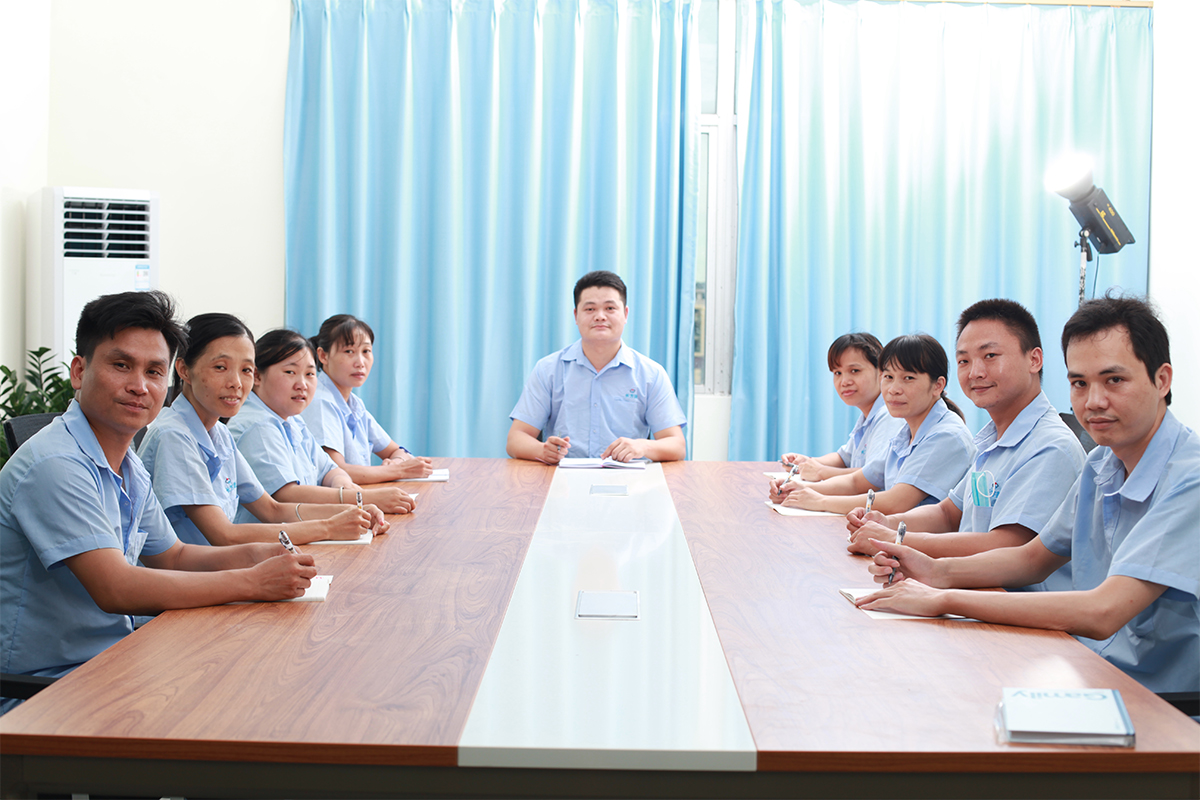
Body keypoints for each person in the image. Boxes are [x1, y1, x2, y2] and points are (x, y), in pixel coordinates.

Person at [858, 295, 1197, 697]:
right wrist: (933, 571)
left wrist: (943, 597)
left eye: (1114, 380)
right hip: (1080, 661)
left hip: (1156, 699)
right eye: (1079, 383)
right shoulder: (1101, 464)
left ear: (1162, 380)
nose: (1094, 401)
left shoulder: (1188, 478)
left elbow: (1103, 611)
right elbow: (1033, 558)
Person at [0, 292, 316, 711]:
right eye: (121, 365)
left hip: (119, 658)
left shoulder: (126, 461)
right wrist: (252, 582)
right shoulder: (56, 463)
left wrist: (257, 554)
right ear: (79, 371)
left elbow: (174, 556)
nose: (139, 385)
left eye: (153, 371)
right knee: (250, 700)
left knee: (270, 675)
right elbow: (116, 588)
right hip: (47, 690)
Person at [846, 300, 1086, 591]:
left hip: (1015, 609)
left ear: (1034, 360)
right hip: (972, 594)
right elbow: (948, 513)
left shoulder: (1050, 446)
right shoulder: (992, 439)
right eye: (964, 361)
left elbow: (1007, 545)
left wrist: (897, 539)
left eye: (990, 355)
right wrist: (887, 522)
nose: (975, 372)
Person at [138, 313, 385, 547]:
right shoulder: (174, 435)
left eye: (245, 370)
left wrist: (353, 511)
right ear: (184, 370)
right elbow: (224, 535)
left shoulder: (219, 433)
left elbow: (271, 509)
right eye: (220, 367)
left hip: (223, 565)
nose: (236, 383)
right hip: (196, 572)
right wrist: (329, 527)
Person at [771, 334, 974, 515]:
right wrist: (799, 489)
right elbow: (857, 481)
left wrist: (820, 501)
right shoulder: (906, 432)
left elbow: (896, 502)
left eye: (908, 378)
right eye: (888, 377)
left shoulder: (946, 435)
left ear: (938, 386)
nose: (894, 389)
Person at [227, 329, 417, 520]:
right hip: (277, 535)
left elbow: (330, 469)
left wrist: (343, 484)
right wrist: (361, 498)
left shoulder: (292, 420)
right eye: (290, 372)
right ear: (257, 376)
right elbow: (286, 495)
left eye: (310, 374)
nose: (302, 384)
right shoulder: (257, 426)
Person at [507, 270, 687, 464]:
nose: (600, 316)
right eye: (590, 309)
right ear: (576, 316)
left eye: (610, 308)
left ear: (625, 314)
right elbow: (516, 439)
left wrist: (642, 446)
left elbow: (677, 446)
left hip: (627, 477)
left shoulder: (651, 373)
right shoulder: (548, 370)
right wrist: (543, 451)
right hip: (563, 476)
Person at [300, 314, 434, 483]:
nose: (360, 362)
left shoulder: (354, 403)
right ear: (323, 356)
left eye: (366, 351)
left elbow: (397, 450)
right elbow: (336, 471)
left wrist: (396, 463)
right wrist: (398, 470)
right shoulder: (320, 402)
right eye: (349, 351)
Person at [779, 332, 905, 481]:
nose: (844, 381)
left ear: (881, 372)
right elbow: (844, 458)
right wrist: (808, 462)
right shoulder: (868, 415)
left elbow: (874, 475)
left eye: (854, 371)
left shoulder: (890, 415)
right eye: (837, 372)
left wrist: (821, 471)